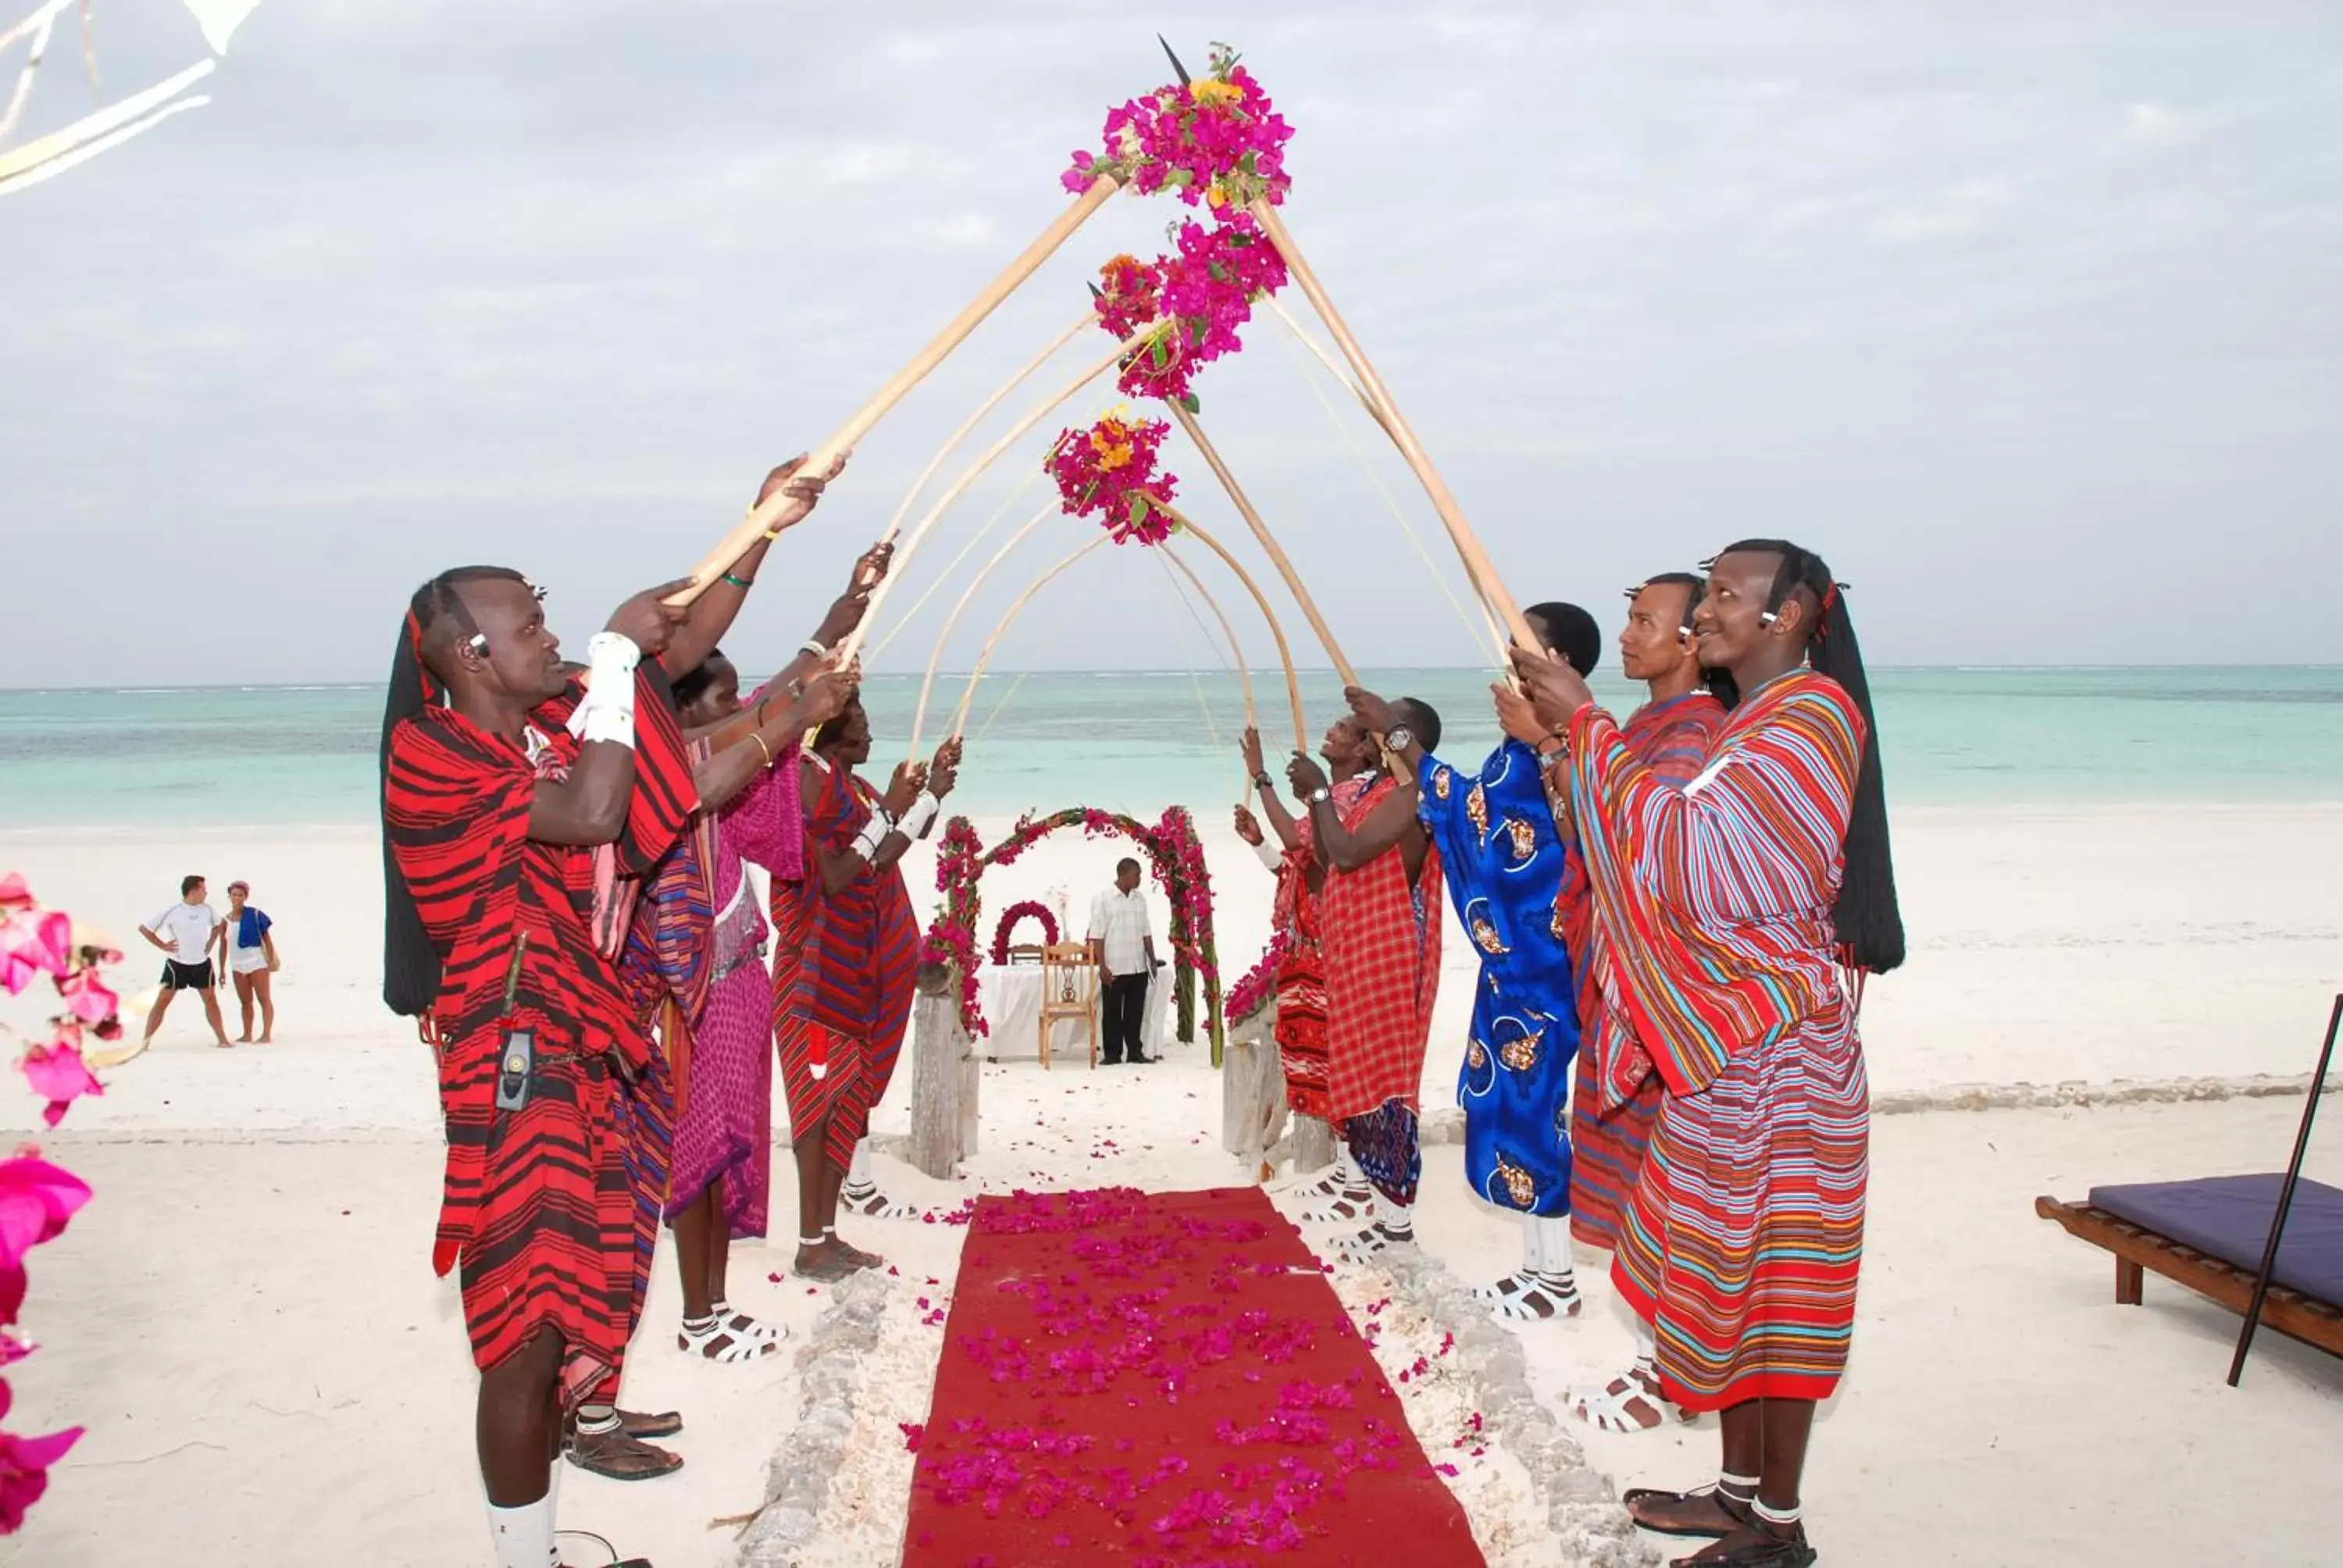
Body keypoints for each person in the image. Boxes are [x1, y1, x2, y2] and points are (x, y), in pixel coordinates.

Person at [380, 454, 836, 1566]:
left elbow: (668, 655)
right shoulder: (433, 753)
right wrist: (628, 656)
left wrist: (762, 526)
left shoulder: (537, 726)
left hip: (578, 1048)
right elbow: (596, 811)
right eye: (530, 626)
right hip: (514, 1058)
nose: (553, 638)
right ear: (465, 653)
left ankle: (535, 1541)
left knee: (564, 1311)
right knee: (522, 1332)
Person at [1510, 540, 1903, 1568]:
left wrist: (1584, 725)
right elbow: (1658, 843)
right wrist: (1581, 742)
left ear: (1789, 616)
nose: (1704, 617)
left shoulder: (1813, 718)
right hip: (1731, 1052)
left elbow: (1700, 865)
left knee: (1779, 1289)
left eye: (1726, 597)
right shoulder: (1757, 721)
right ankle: (1735, 1494)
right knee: (1731, 1277)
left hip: (1782, 1056)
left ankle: (1777, 1526)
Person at [640, 547, 879, 1364]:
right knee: (693, 1159)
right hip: (695, 991)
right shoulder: (666, 764)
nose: (739, 710)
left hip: (738, 980)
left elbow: (766, 709)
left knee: (716, 1154)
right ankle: (701, 1315)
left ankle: (712, 1307)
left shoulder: (709, 752)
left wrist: (833, 624)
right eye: (720, 701)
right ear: (686, 713)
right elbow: (761, 722)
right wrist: (794, 704)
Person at [1350, 603, 1602, 1323]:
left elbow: (1487, 821)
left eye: (1521, 660)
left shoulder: (1564, 748)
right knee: (1508, 1108)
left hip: (1542, 970)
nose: (1507, 676)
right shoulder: (1515, 751)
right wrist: (1397, 738)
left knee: (1533, 1111)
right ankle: (1538, 1268)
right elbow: (1459, 805)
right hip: (1511, 971)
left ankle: (1554, 1280)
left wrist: (1397, 735)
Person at [1526, 574, 1731, 1431]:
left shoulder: (1693, 732)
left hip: (1659, 989)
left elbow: (1648, 849)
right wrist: (1554, 751)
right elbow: (1583, 833)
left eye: (1646, 620)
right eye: (1630, 616)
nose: (1628, 632)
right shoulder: (1645, 726)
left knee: (1668, 1181)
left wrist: (1568, 740)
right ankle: (1654, 1362)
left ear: (1693, 640)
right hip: (1616, 974)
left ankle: (1666, 1372)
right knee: (1642, 1173)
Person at [772, 697, 959, 1281]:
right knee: (816, 1111)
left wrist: (933, 794)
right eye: (863, 723)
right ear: (833, 732)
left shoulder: (854, 790)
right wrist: (894, 810)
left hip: (852, 970)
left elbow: (883, 855)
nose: (872, 734)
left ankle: (828, 1236)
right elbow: (832, 875)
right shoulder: (806, 780)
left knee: (845, 1107)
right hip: (814, 974)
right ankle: (809, 1243)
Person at [1286, 704, 1446, 1262]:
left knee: (1386, 1089)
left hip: (1389, 956)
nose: (1373, 731)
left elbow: (1352, 854)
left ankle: (1398, 1226)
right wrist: (1319, 797)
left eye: (1383, 725)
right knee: (1360, 1085)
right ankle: (1381, 1215)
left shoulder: (1411, 798)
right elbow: (1330, 856)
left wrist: (1322, 797)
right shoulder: (1379, 794)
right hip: (1358, 954)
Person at [1232, 723, 1355, 1156]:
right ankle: (1325, 1160)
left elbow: (1298, 843)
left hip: (1328, 956)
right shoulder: (1332, 800)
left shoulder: (1349, 798)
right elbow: (1295, 867)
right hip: (1305, 955)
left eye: (1342, 729)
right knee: (1305, 1063)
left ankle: (1338, 1163)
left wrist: (1261, 777)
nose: (1331, 730)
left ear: (1362, 749)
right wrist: (1258, 842)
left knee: (1327, 1066)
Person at [137, 875, 231, 1049]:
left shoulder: (207, 910)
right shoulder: (174, 910)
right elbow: (145, 929)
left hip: (201, 964)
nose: (206, 892)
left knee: (211, 1000)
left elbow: (219, 925)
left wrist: (210, 942)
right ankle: (145, 1042)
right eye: (203, 889)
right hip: (177, 965)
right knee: (163, 1001)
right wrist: (163, 945)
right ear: (193, 891)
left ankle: (222, 1039)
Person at [1086, 857, 1161, 1065]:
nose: (1139, 879)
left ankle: (1135, 1052)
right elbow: (1097, 935)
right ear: (1123, 873)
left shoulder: (1140, 899)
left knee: (1135, 1012)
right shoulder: (1103, 899)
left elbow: (1146, 931)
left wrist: (1152, 960)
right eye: (1136, 874)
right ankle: (1112, 1054)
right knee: (1111, 1012)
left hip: (1137, 965)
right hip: (1114, 966)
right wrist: (1102, 966)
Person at [216, 879, 280, 1043]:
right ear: (229, 897)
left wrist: (271, 960)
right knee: (245, 1001)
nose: (237, 898)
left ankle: (266, 1034)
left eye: (240, 895)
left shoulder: (255, 915)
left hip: (257, 961)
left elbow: (267, 939)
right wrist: (222, 969)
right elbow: (223, 946)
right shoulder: (225, 921)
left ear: (245, 897)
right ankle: (247, 1033)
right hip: (237, 965)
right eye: (234, 895)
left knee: (263, 998)